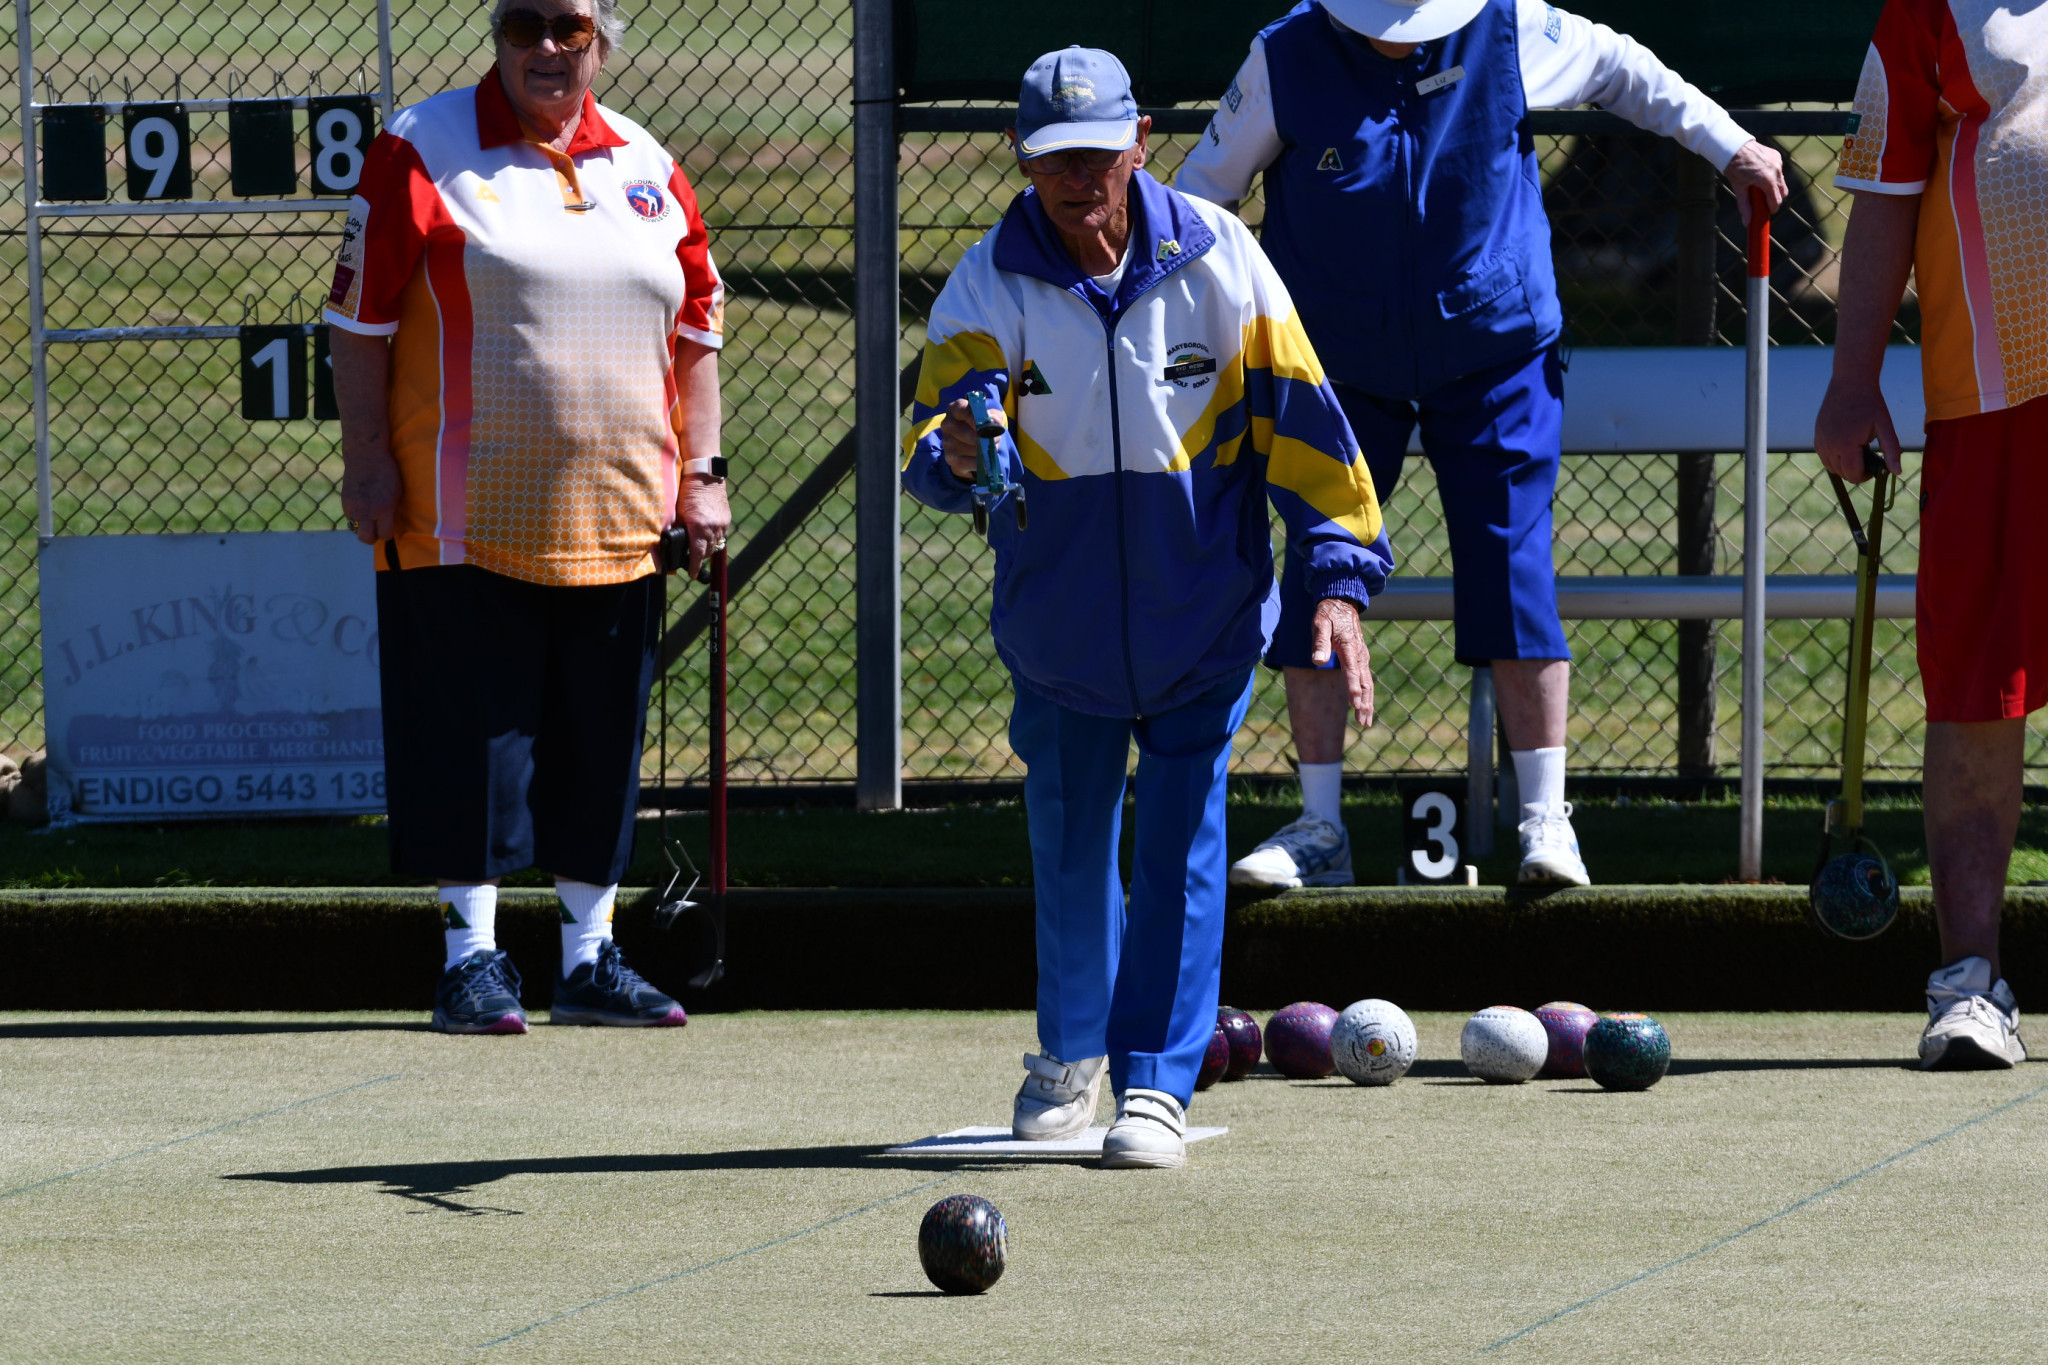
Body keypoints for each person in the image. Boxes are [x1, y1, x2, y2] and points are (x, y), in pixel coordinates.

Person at [903, 48, 1395, 1168]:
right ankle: (1070, 1054)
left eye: (1097, 154)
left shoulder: (1223, 258)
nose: (1078, 179)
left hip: (1202, 614)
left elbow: (1307, 429)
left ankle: (1157, 1084)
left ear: (1140, 142)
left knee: (1181, 843)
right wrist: (960, 451)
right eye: (1053, 160)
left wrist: (1334, 580)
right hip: (1057, 627)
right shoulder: (986, 281)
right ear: (1021, 162)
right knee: (1071, 844)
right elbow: (939, 446)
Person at [1175, 0, 1789, 889]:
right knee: (1316, 572)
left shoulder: (1508, 25)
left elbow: (1623, 69)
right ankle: (1319, 826)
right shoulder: (1285, 53)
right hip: (1333, 360)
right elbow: (1203, 194)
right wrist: (1176, 308)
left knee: (1513, 567)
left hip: (1496, 347)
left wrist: (1730, 146)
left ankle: (1546, 820)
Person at [327, 0, 729, 1034]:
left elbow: (695, 332)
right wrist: (366, 461)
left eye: (569, 27)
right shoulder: (421, 146)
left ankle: (588, 962)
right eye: (523, 23)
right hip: (459, 514)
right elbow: (358, 323)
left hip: (622, 517)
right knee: (471, 746)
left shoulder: (646, 160)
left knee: (600, 746)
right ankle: (470, 962)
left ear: (602, 39)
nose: (547, 47)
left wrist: (703, 476)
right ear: (496, 34)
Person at [1816, 0, 2045, 1069]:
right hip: (1991, 405)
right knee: (1976, 694)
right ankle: (1969, 981)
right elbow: (1881, 200)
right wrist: (1851, 382)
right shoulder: (1925, 10)